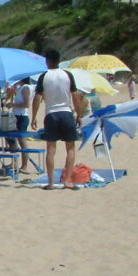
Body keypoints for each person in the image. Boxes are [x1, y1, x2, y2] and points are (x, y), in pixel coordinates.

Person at [31, 49, 82, 190]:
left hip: (51, 114)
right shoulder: (67, 75)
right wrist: (79, 114)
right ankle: (67, 181)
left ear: (47, 61)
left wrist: (34, 116)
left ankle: (51, 182)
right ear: (59, 60)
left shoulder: (44, 76)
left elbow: (37, 97)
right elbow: (76, 96)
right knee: (70, 148)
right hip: (66, 112)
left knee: (51, 149)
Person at [6, 77, 33, 172]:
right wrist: (12, 90)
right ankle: (14, 162)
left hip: (22, 116)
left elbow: (26, 104)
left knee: (22, 141)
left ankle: (24, 165)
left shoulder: (26, 88)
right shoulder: (19, 88)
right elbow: (7, 97)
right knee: (10, 138)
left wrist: (13, 105)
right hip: (16, 115)